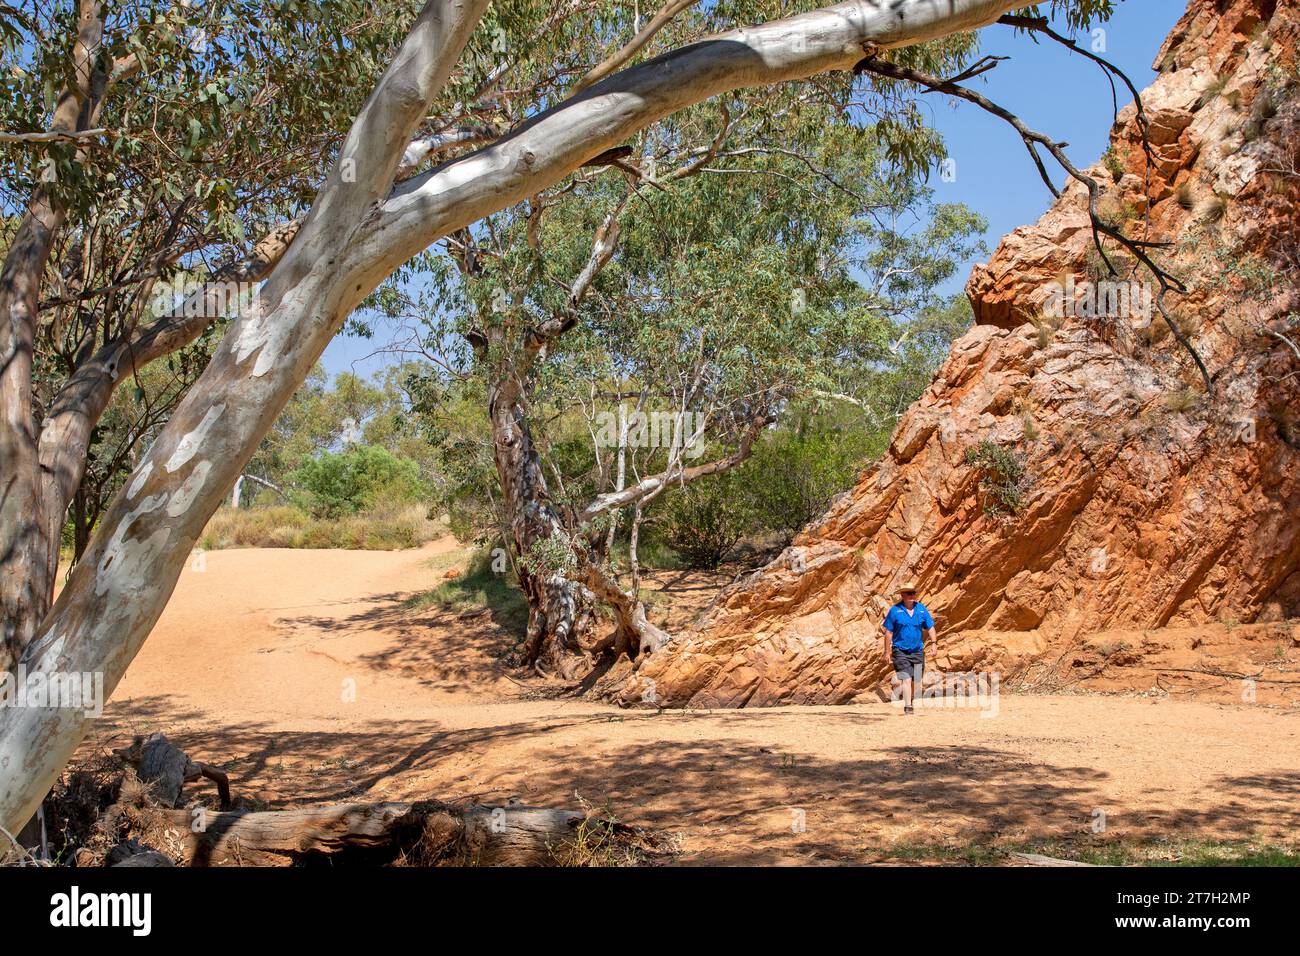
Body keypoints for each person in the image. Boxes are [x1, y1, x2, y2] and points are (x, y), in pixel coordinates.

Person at [881, 581, 936, 715]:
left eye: (913, 593)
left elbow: (930, 627)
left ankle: (909, 698)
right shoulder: (895, 610)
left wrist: (934, 643)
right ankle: (908, 706)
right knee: (906, 677)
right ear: (902, 595)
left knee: (916, 680)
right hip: (900, 650)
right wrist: (887, 652)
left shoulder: (921, 609)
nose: (912, 595)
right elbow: (888, 633)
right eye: (909, 593)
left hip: (917, 650)